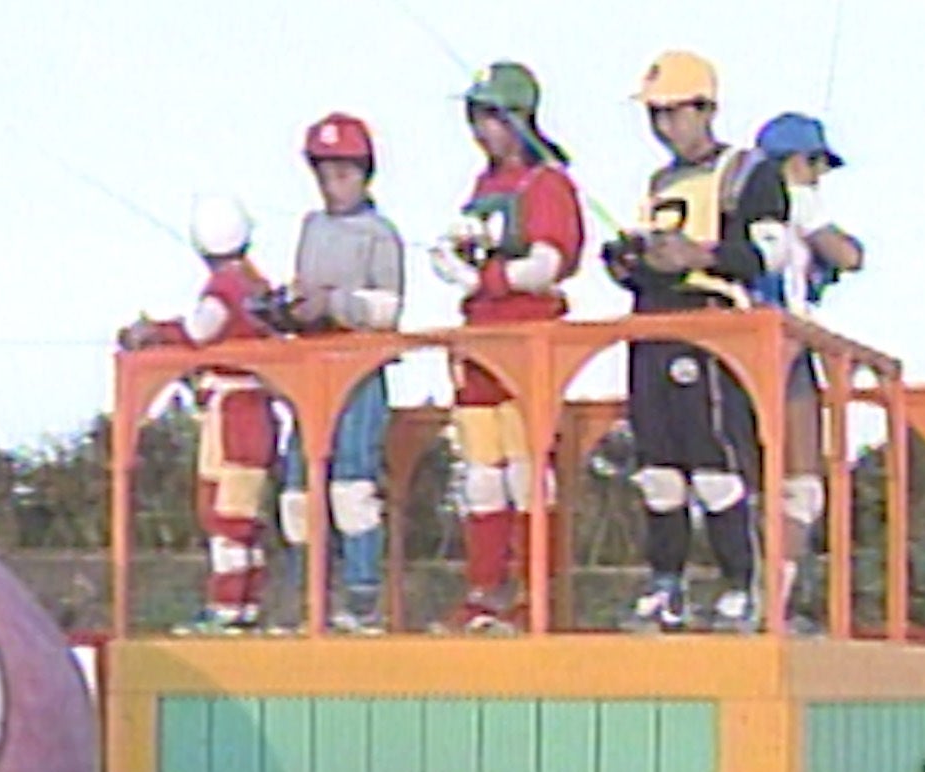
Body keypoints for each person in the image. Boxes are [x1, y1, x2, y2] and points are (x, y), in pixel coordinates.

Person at [603, 50, 791, 632]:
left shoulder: (746, 172)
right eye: (655, 116)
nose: (664, 128)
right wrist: (632, 262)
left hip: (712, 327)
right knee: (658, 466)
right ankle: (666, 584)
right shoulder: (659, 181)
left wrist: (700, 255)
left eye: (674, 114)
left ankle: (740, 583)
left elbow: (770, 252)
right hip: (652, 327)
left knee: (713, 461)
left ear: (705, 109)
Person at [427, 61, 584, 633]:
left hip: (529, 338)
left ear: (520, 119)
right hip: (479, 341)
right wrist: (453, 264)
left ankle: (532, 591)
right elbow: (466, 248)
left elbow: (548, 263)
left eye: (492, 116)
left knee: (526, 468)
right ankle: (484, 589)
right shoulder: (483, 187)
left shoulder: (548, 184)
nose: (482, 129)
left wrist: (489, 279)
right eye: (477, 116)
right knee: (481, 473)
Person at [119, 196, 281, 632]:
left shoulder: (224, 290)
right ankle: (246, 601)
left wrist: (155, 331)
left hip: (233, 411)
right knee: (242, 513)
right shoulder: (257, 285)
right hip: (253, 408)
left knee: (225, 513)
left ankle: (228, 606)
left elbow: (199, 330)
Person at [276, 112, 406, 631]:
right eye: (325, 172)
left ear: (365, 172)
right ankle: (307, 594)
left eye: (344, 172)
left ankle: (362, 598)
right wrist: (289, 309)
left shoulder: (380, 234)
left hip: (358, 372)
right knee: (297, 488)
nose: (334, 184)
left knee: (352, 485)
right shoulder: (311, 227)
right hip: (309, 374)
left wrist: (334, 304)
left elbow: (389, 309)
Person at [749, 112, 865, 628]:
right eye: (818, 164)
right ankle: (770, 601)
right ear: (800, 160)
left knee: (749, 481)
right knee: (799, 482)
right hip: (782, 345)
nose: (820, 176)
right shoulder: (795, 194)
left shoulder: (744, 202)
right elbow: (847, 252)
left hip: (742, 341)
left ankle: (753, 596)